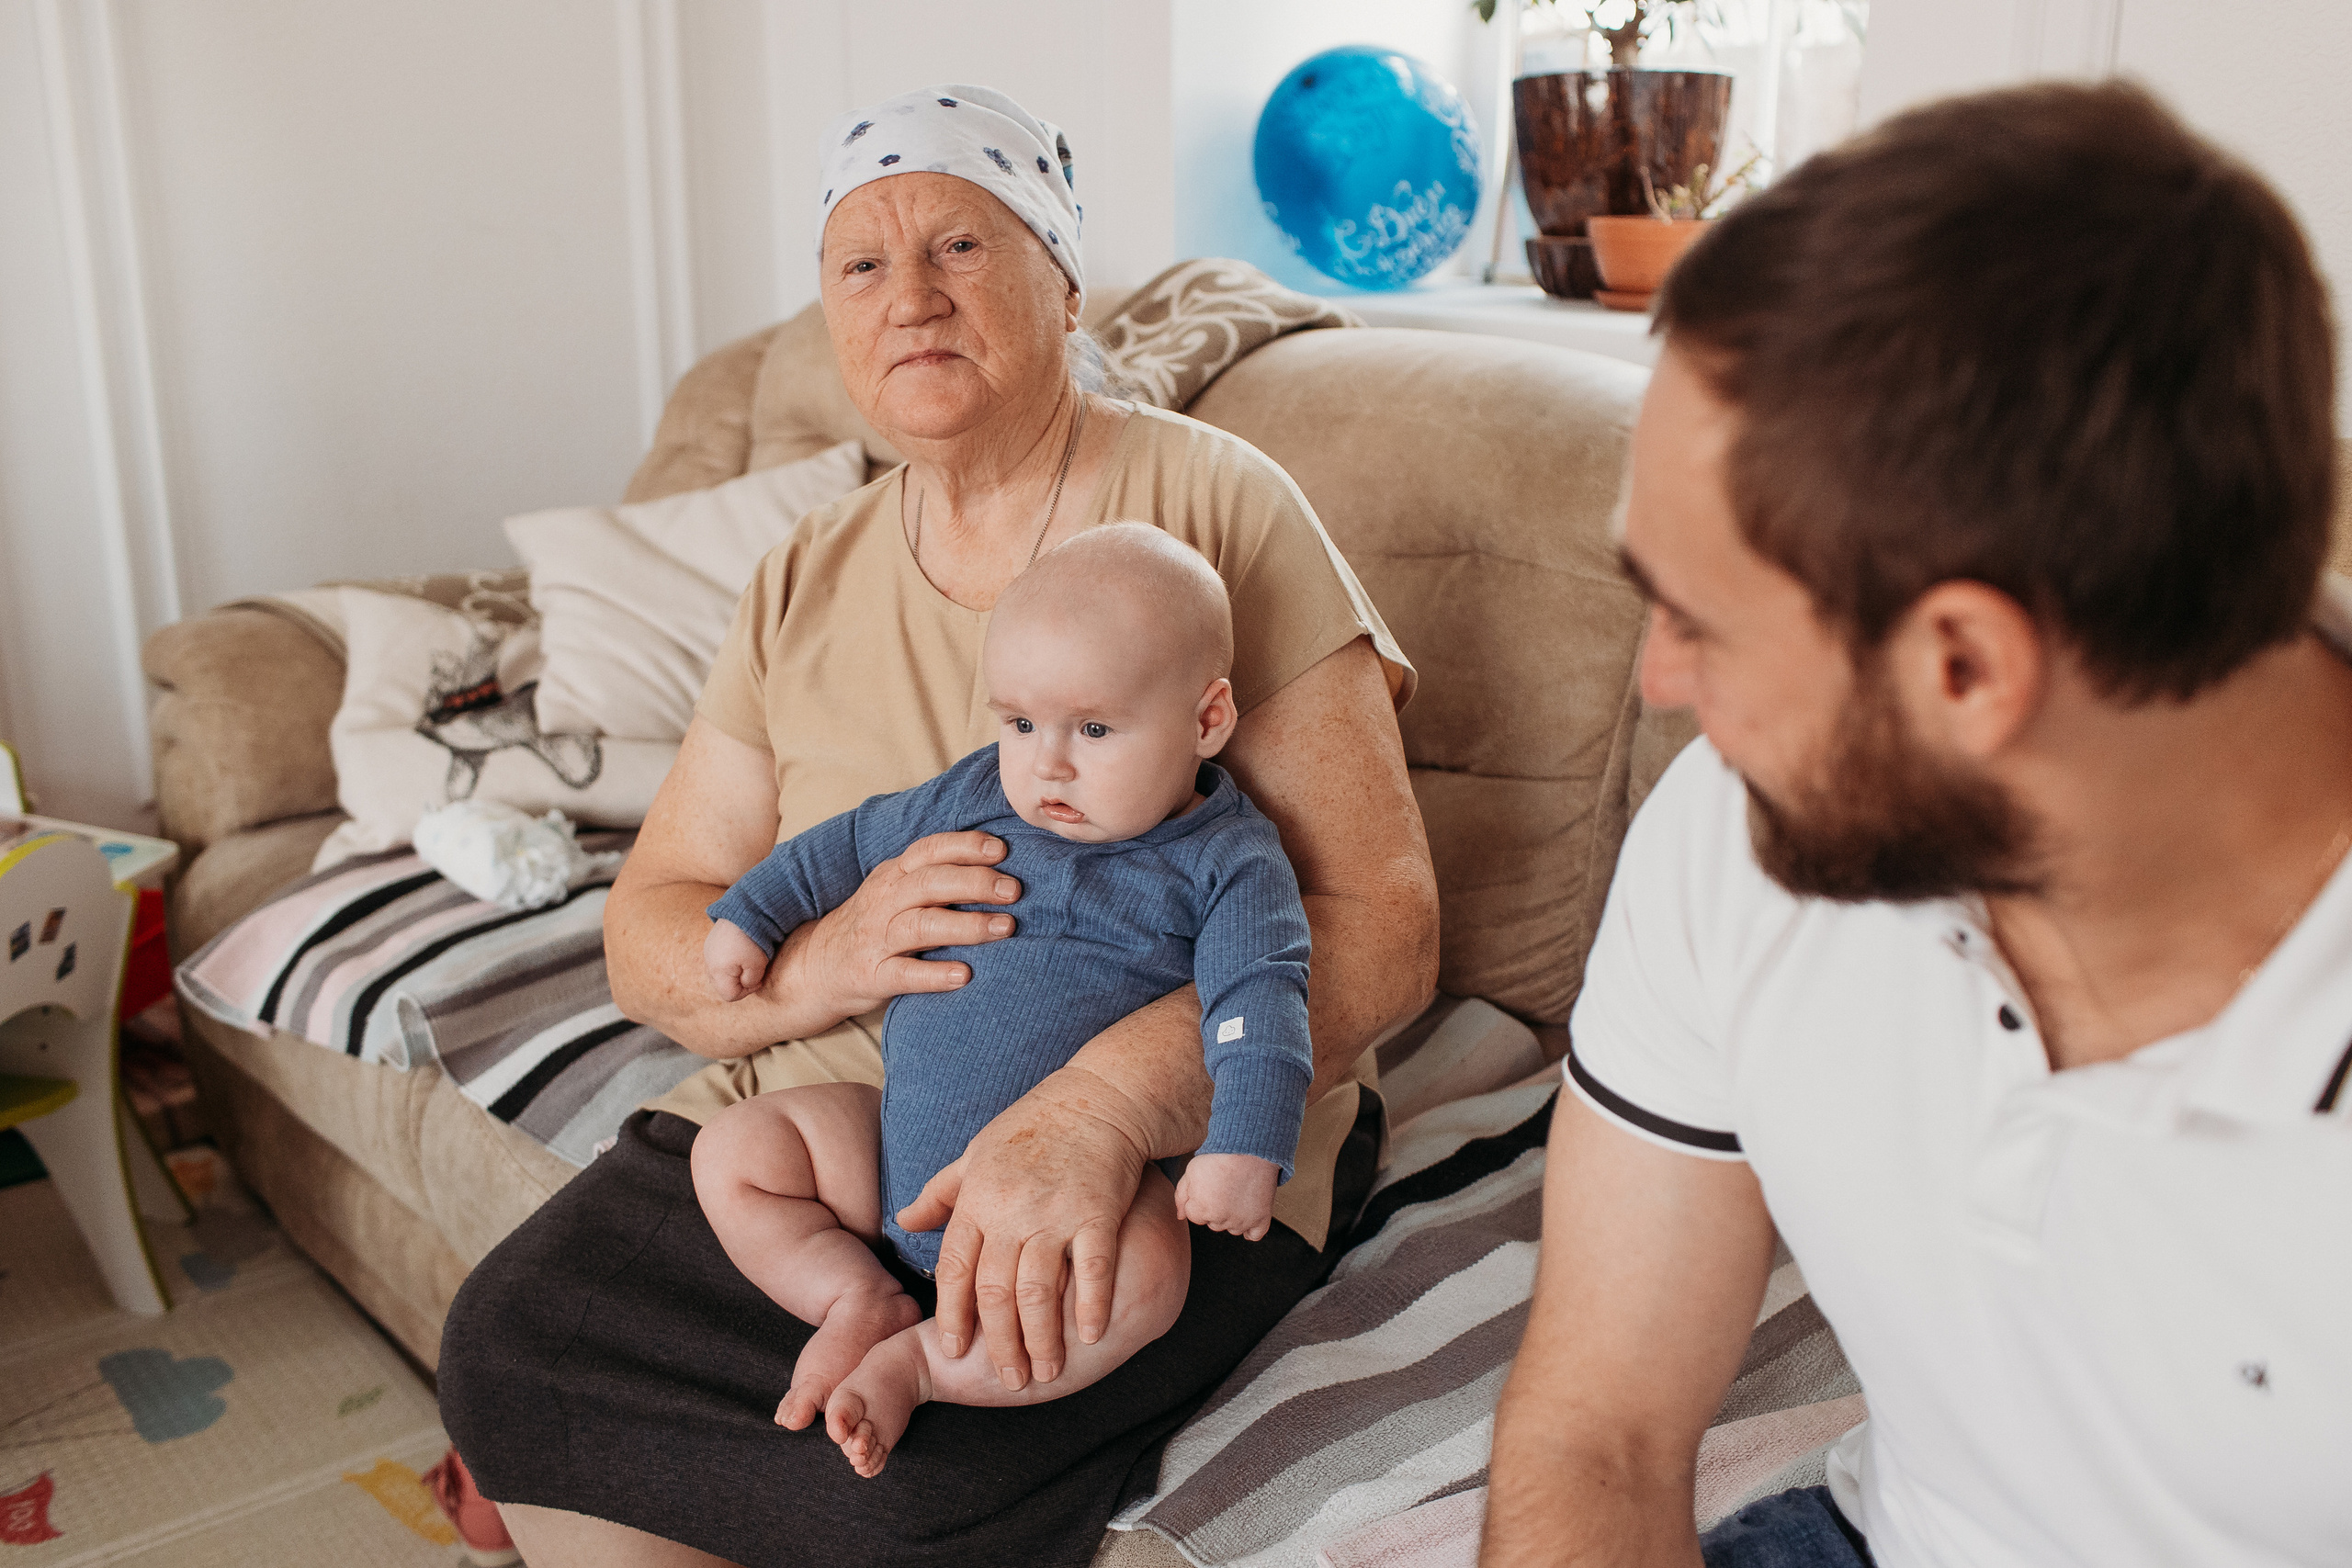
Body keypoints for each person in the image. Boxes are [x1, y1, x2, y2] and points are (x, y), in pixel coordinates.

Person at [437, 83, 1438, 1568]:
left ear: (1063, 276)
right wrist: (820, 969)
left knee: (903, 1481)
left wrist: (1098, 1112)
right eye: (862, 263)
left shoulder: (1213, 508)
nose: (910, 296)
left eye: (963, 245)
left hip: (1169, 1147)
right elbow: (654, 928)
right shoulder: (803, 571)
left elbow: (1385, 921)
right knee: (514, 1343)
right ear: (830, 315)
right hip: (848, 1129)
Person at [1483, 82, 2351, 1568]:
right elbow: (1604, 1428)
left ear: (1967, 667)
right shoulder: (1740, 831)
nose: (1658, 683)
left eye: (1701, 621)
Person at [693, 525, 1310, 1478]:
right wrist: (754, 913)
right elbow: (848, 843)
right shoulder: (977, 793)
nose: (1047, 765)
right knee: (737, 1152)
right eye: (1019, 723)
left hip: (1076, 1208)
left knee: (1147, 1281)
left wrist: (1245, 1142)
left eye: (1093, 729)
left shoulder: (1226, 862)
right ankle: (854, 1297)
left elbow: (1258, 1002)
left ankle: (929, 1365)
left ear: (1207, 718)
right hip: (894, 1156)